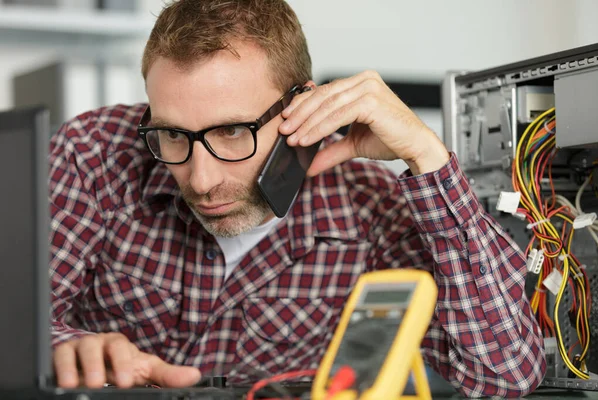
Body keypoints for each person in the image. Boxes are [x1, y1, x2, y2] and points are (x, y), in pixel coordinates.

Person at [48, 0, 545, 397]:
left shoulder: (368, 209)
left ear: (301, 105)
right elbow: (19, 321)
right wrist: (69, 348)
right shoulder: (94, 155)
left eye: (231, 132)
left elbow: (503, 376)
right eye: (172, 135)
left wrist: (427, 158)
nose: (200, 179)